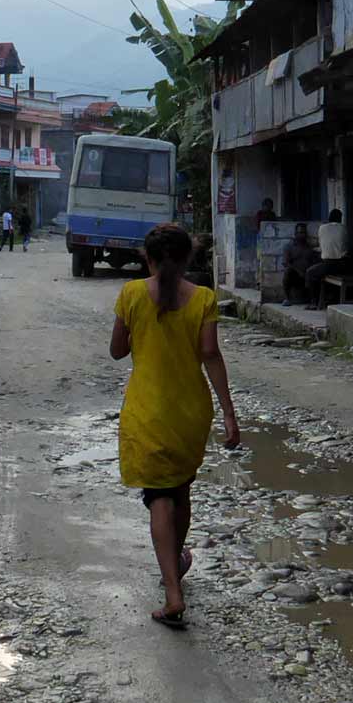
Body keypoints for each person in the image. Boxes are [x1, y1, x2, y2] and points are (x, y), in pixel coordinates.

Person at [109, 222, 239, 629]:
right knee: (179, 490)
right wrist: (230, 412)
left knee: (159, 496)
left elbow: (117, 351)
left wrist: (139, 328)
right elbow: (210, 355)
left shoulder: (131, 294)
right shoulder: (203, 298)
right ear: (187, 259)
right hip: (190, 413)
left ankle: (172, 593)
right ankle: (177, 562)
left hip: (147, 412)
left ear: (147, 259)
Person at [306, 209, 346, 307]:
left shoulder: (322, 228)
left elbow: (321, 245)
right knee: (322, 273)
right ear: (340, 219)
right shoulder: (344, 228)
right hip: (342, 264)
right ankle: (329, 297)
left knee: (310, 273)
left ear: (329, 218)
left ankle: (313, 301)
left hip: (329, 264)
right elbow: (345, 245)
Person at [280, 222, 315, 303]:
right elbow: (285, 263)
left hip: (308, 276)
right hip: (295, 276)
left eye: (303, 233)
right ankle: (287, 298)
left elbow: (313, 262)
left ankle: (314, 301)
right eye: (300, 232)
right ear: (295, 234)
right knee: (287, 271)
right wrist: (298, 271)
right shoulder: (289, 247)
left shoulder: (309, 247)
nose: (302, 235)